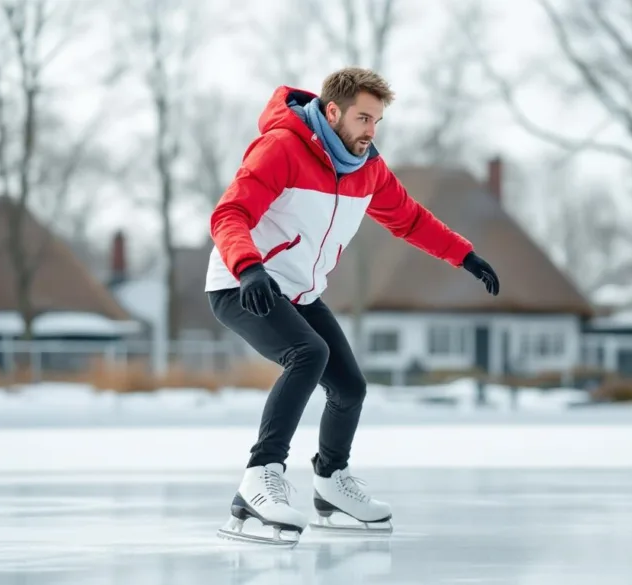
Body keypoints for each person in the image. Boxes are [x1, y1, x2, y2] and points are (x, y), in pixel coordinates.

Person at [206, 67, 499, 545]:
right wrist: (248, 267)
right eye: (364, 118)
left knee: (349, 387)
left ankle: (330, 484)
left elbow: (409, 219)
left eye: (377, 121)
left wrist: (463, 255)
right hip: (242, 283)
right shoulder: (281, 148)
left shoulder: (367, 170)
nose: (371, 131)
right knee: (308, 353)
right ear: (332, 112)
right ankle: (258, 479)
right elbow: (230, 213)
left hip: (298, 291)